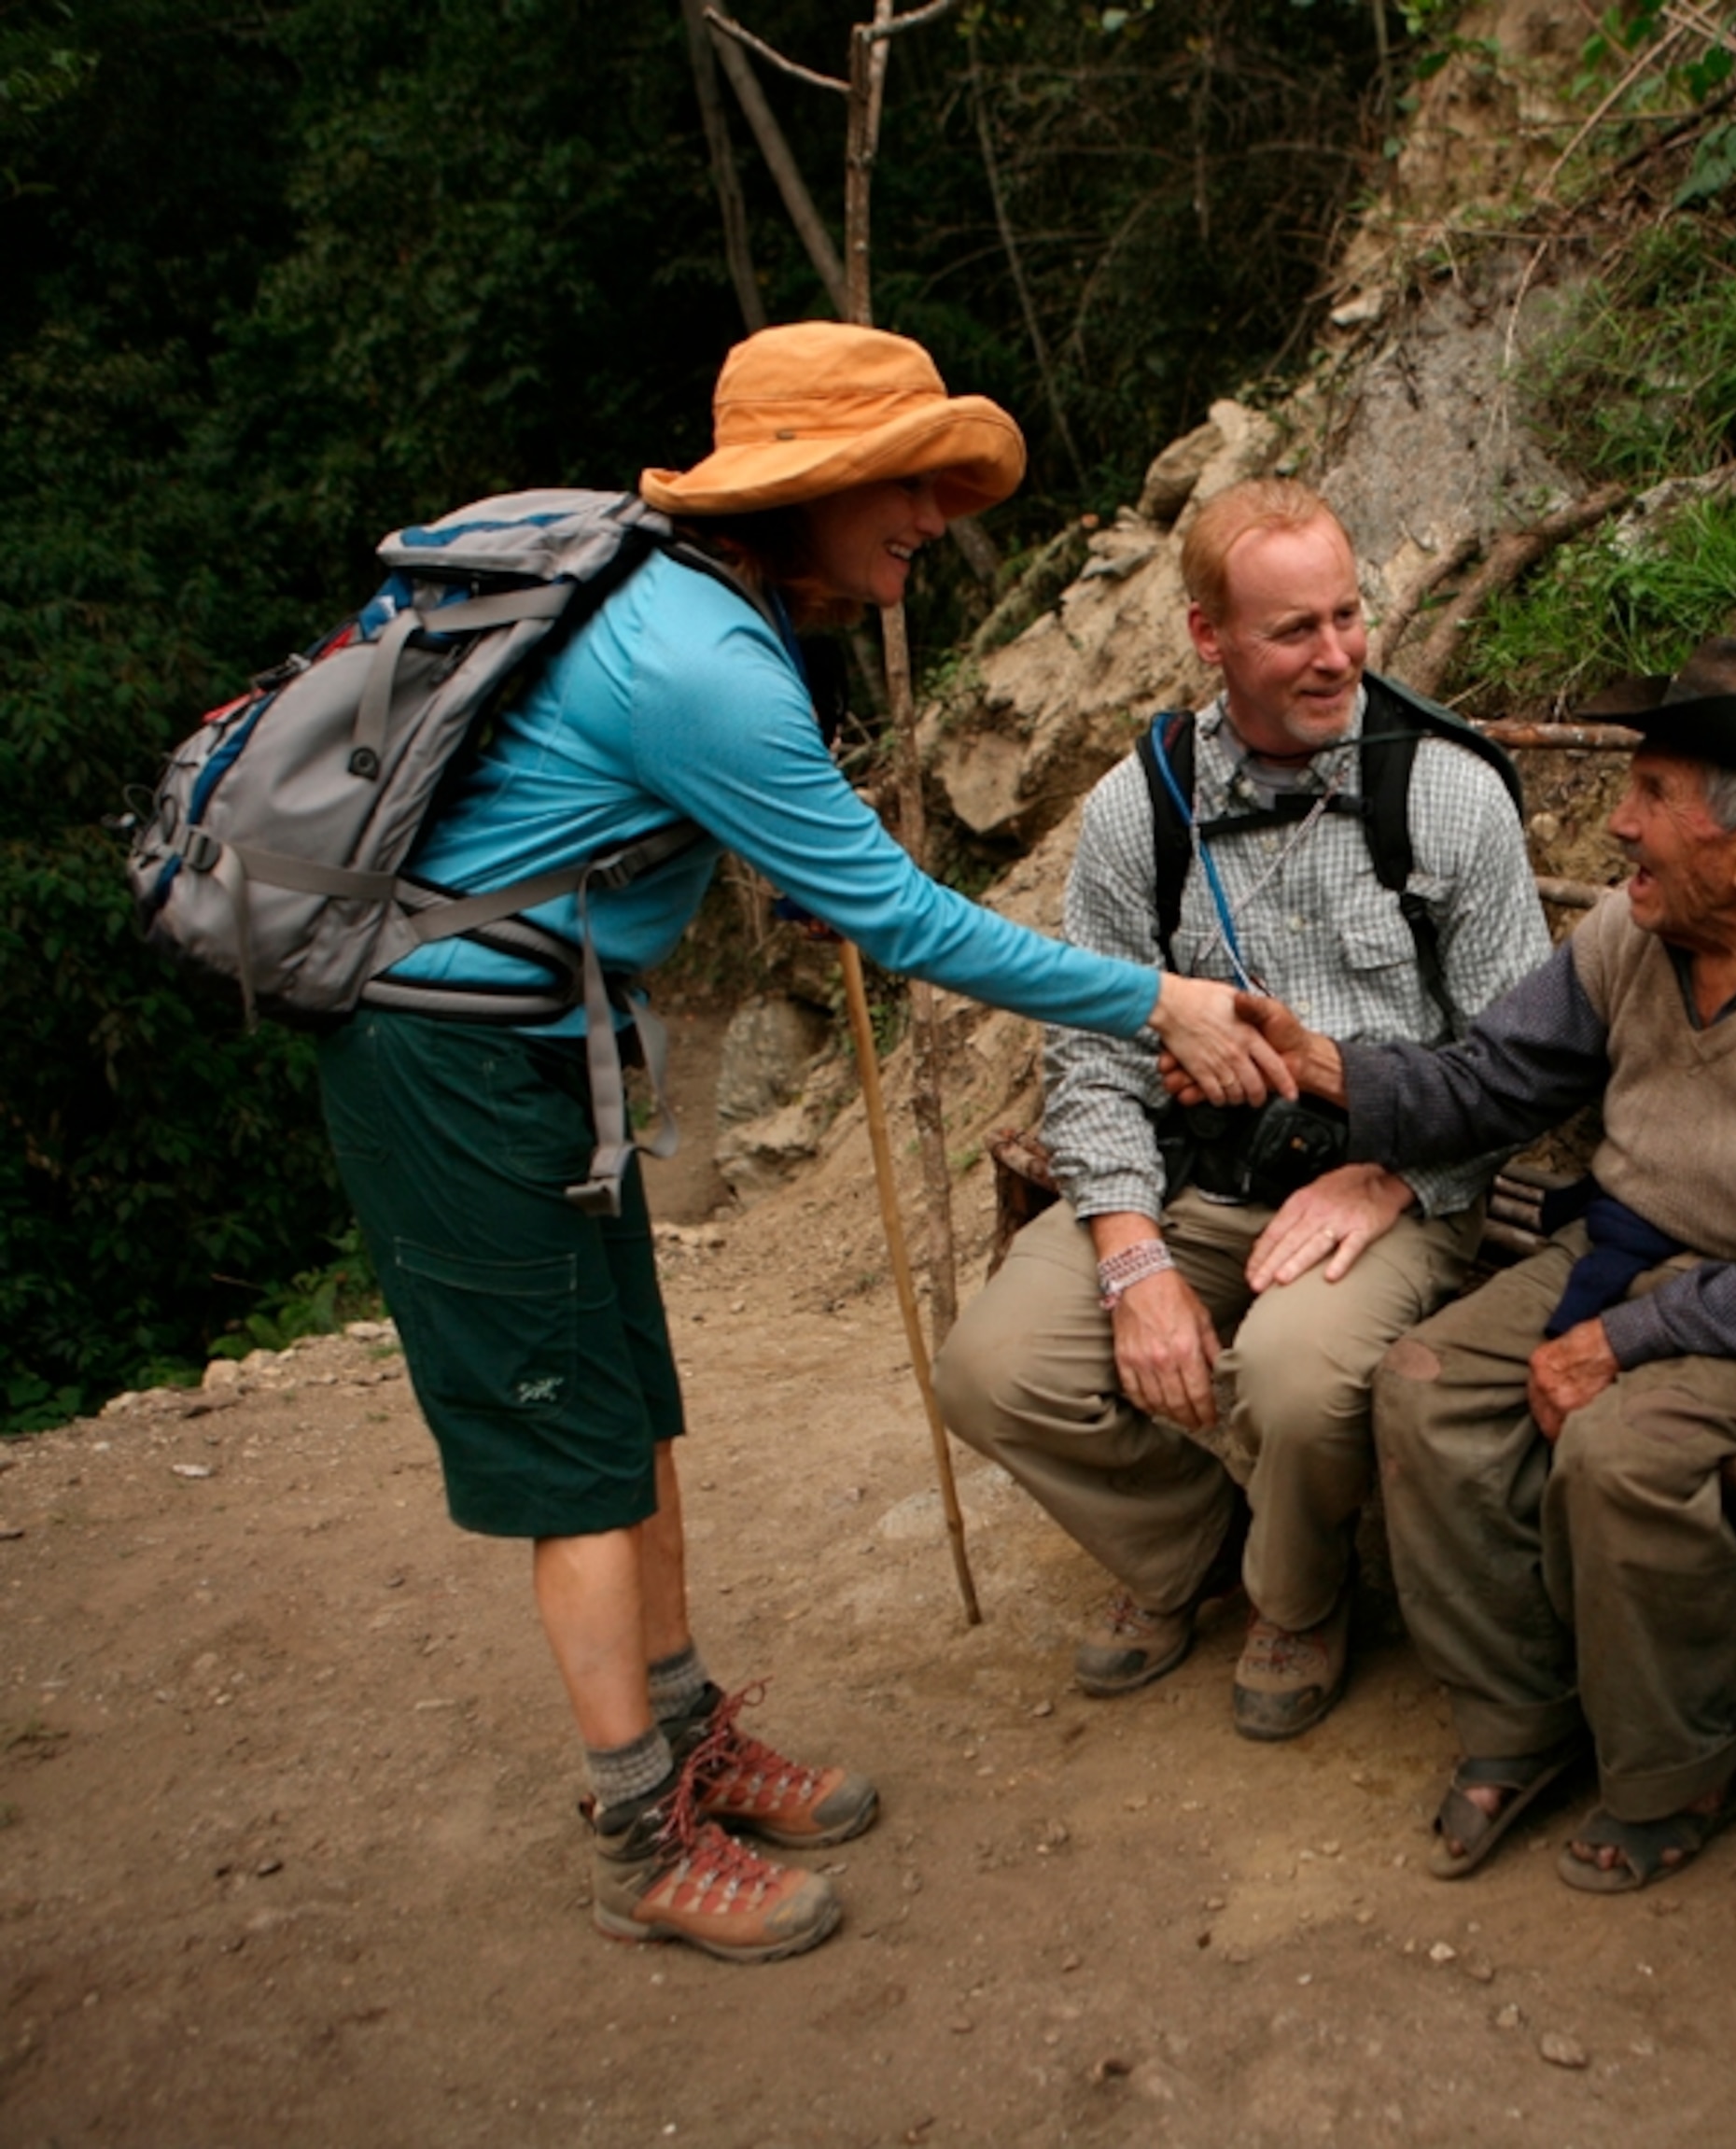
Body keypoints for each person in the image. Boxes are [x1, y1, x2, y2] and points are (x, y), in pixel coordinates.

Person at [314, 322, 1289, 1966]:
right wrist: (1156, 1002)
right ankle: (638, 1829)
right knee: (575, 1457)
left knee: (635, 1417)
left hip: (543, 1045)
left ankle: (689, 1734)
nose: (928, 510)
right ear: (808, 490)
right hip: (455, 1062)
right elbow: (904, 922)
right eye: (898, 482)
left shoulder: (707, 609)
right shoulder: (701, 660)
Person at [1213, 639, 1736, 1890]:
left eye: (1654, 794)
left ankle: (1688, 1763)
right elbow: (1497, 1077)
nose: (1618, 823)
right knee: (1423, 1382)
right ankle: (1522, 1713)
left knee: (1622, 1449)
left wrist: (1619, 1343)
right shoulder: (1642, 929)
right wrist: (1330, 1067)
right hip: (1631, 1246)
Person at [934, 479, 1547, 1740]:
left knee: (1292, 1372)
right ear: (1209, 636)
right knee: (993, 1370)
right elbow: (1092, 1052)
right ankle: (1194, 1547)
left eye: (1349, 614)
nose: (1336, 655)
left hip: (1388, 1186)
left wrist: (1394, 1175)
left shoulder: (1447, 794)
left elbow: (1523, 1057)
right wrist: (1131, 1255)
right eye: (1292, 630)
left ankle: (1297, 1593)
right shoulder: (1136, 810)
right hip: (1196, 1177)